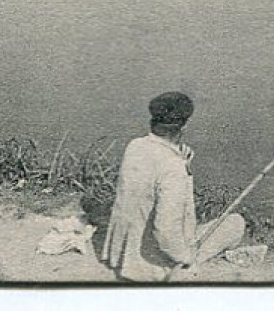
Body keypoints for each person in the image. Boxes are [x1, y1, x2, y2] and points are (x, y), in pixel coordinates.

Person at [102, 91, 246, 282]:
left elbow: (154, 167)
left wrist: (180, 159)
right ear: (184, 125)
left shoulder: (135, 146)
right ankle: (185, 266)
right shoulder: (173, 168)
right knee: (235, 223)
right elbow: (165, 231)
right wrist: (186, 258)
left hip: (123, 255)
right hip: (151, 263)